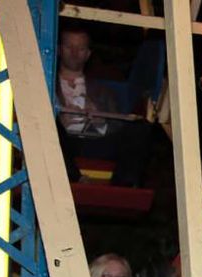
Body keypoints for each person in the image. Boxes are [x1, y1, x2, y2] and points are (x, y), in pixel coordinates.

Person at [57, 24, 151, 187]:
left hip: (95, 141)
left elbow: (118, 125)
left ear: (88, 54)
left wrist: (101, 121)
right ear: (59, 49)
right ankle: (73, 178)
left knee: (140, 127)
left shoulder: (103, 91)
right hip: (62, 142)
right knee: (50, 126)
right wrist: (59, 119)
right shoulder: (46, 86)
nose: (74, 53)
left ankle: (123, 186)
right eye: (69, 46)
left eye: (80, 48)